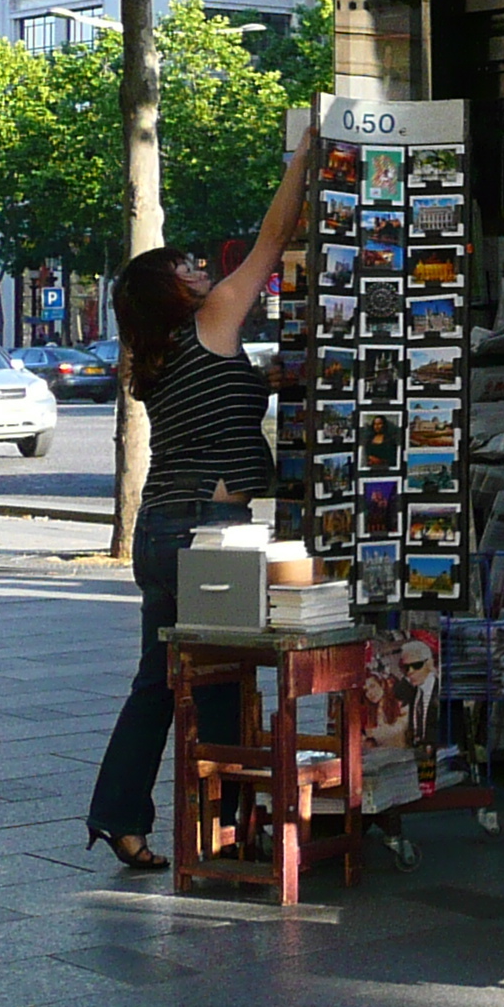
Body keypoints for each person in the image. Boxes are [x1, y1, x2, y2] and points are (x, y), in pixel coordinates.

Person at [82, 122, 320, 873]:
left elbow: (218, 404)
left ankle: (126, 818)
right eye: (186, 266)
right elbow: (272, 238)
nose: (197, 268)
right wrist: (305, 154)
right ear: (175, 292)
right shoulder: (211, 320)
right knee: (222, 676)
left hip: (161, 532)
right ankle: (234, 823)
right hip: (203, 533)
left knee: (160, 683)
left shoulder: (156, 357)